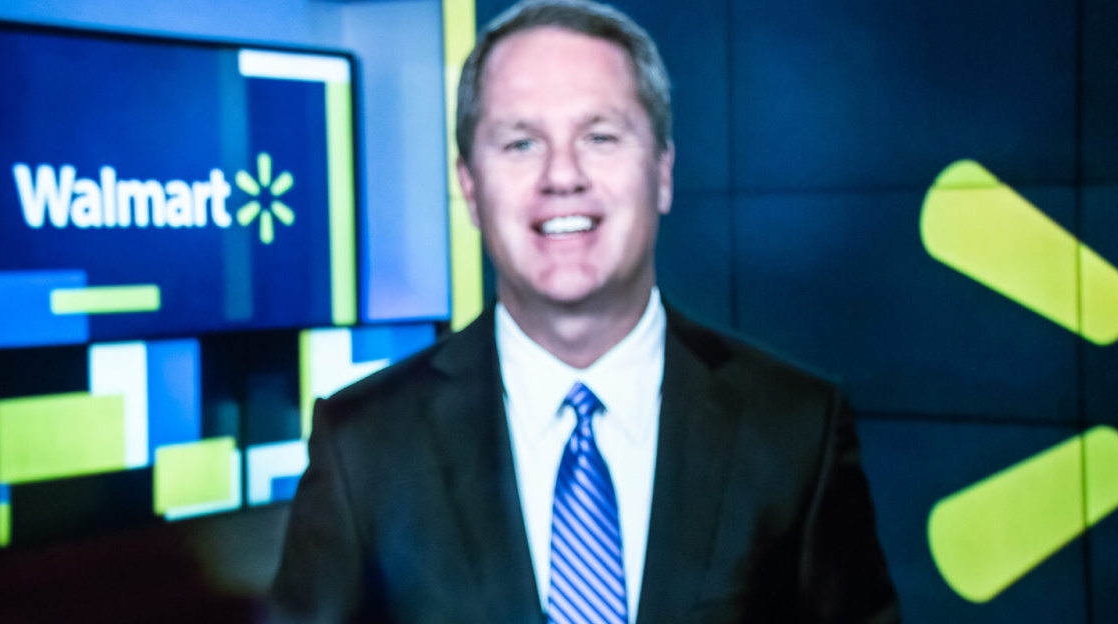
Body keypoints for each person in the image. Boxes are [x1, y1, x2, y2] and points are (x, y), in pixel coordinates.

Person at [269, 1, 900, 622]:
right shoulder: (362, 446)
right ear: (469, 188)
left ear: (662, 171)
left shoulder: (797, 429)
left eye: (599, 137)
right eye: (521, 143)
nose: (562, 175)